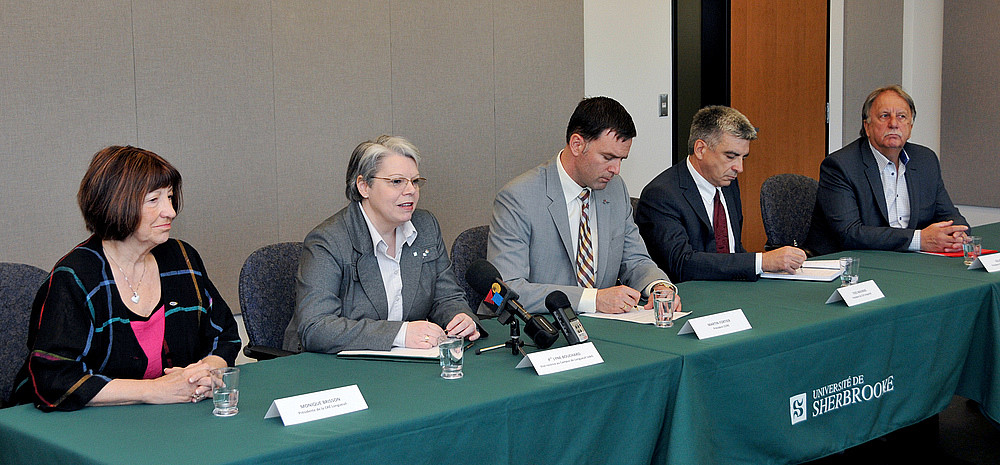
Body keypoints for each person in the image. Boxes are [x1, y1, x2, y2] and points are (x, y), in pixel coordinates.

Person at [9, 146, 241, 412]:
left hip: (168, 419)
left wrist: (203, 373)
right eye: (154, 200)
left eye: (170, 197)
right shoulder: (75, 277)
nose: (171, 211)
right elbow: (54, 380)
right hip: (76, 427)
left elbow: (224, 335)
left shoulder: (181, 258)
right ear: (116, 204)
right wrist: (155, 391)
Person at [283, 135, 479, 354]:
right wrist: (400, 334)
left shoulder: (425, 226)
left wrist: (460, 317)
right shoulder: (328, 241)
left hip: (403, 365)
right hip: (332, 368)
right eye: (397, 181)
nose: (411, 191)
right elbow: (316, 327)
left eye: (415, 181)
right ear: (364, 186)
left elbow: (447, 297)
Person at [487, 96, 678, 315]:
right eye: (608, 157)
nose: (616, 170)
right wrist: (592, 299)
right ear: (577, 144)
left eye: (621, 160)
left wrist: (658, 286)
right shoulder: (518, 198)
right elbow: (505, 290)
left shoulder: (615, 190)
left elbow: (635, 259)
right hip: (545, 330)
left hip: (606, 327)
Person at [636, 106, 806, 282]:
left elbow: (734, 250)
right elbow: (681, 264)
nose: (739, 168)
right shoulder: (661, 195)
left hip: (732, 289)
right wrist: (761, 262)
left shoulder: (727, 183)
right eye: (730, 156)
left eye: (743, 157)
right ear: (700, 149)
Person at [805, 85, 969, 255]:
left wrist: (957, 233)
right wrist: (919, 239)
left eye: (901, 116)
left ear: (910, 127)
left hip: (908, 261)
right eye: (884, 116)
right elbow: (850, 234)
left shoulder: (925, 161)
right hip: (850, 263)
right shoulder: (840, 166)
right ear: (867, 126)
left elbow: (949, 215)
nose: (893, 124)